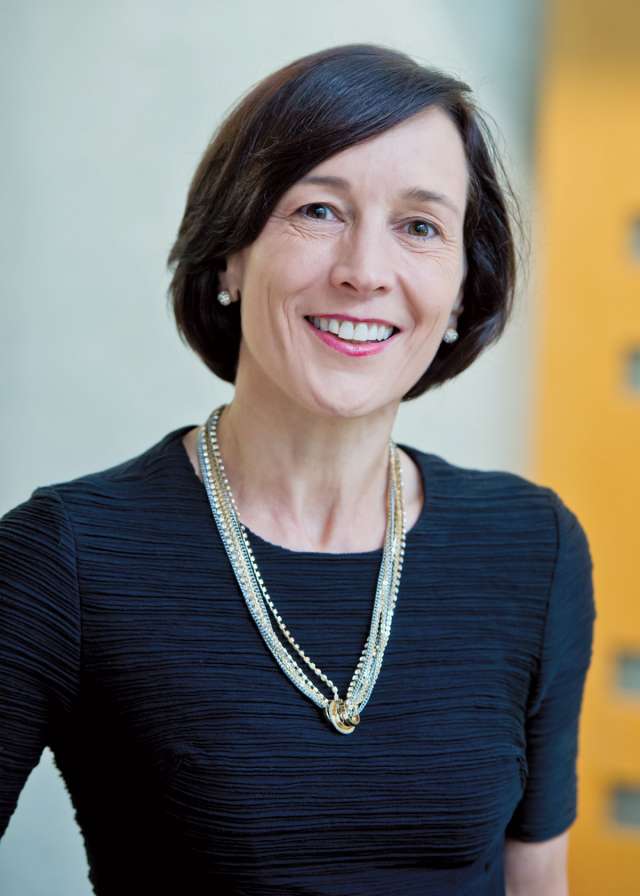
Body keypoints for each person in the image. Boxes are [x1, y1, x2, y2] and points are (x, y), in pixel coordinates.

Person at [0, 43, 596, 896]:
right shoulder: (64, 558)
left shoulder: (533, 549)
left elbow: (539, 880)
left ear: (464, 288)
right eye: (318, 211)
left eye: (420, 227)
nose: (363, 271)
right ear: (231, 256)